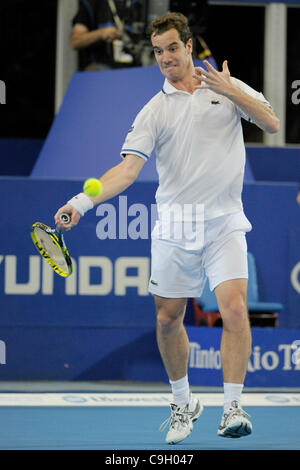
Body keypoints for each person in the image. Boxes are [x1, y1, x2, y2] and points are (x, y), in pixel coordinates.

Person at [55, 12, 280, 444]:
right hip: (176, 225)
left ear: (189, 46)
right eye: (158, 52)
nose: (165, 58)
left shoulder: (224, 86)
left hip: (225, 221)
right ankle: (182, 402)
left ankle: (232, 406)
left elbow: (270, 122)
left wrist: (231, 89)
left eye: (172, 49)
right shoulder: (154, 110)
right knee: (167, 318)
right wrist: (82, 202)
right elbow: (126, 171)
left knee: (234, 308)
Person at [71, 0, 146, 71]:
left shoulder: (138, 4)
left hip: (133, 70)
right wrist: (101, 33)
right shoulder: (92, 3)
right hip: (100, 69)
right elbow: (75, 41)